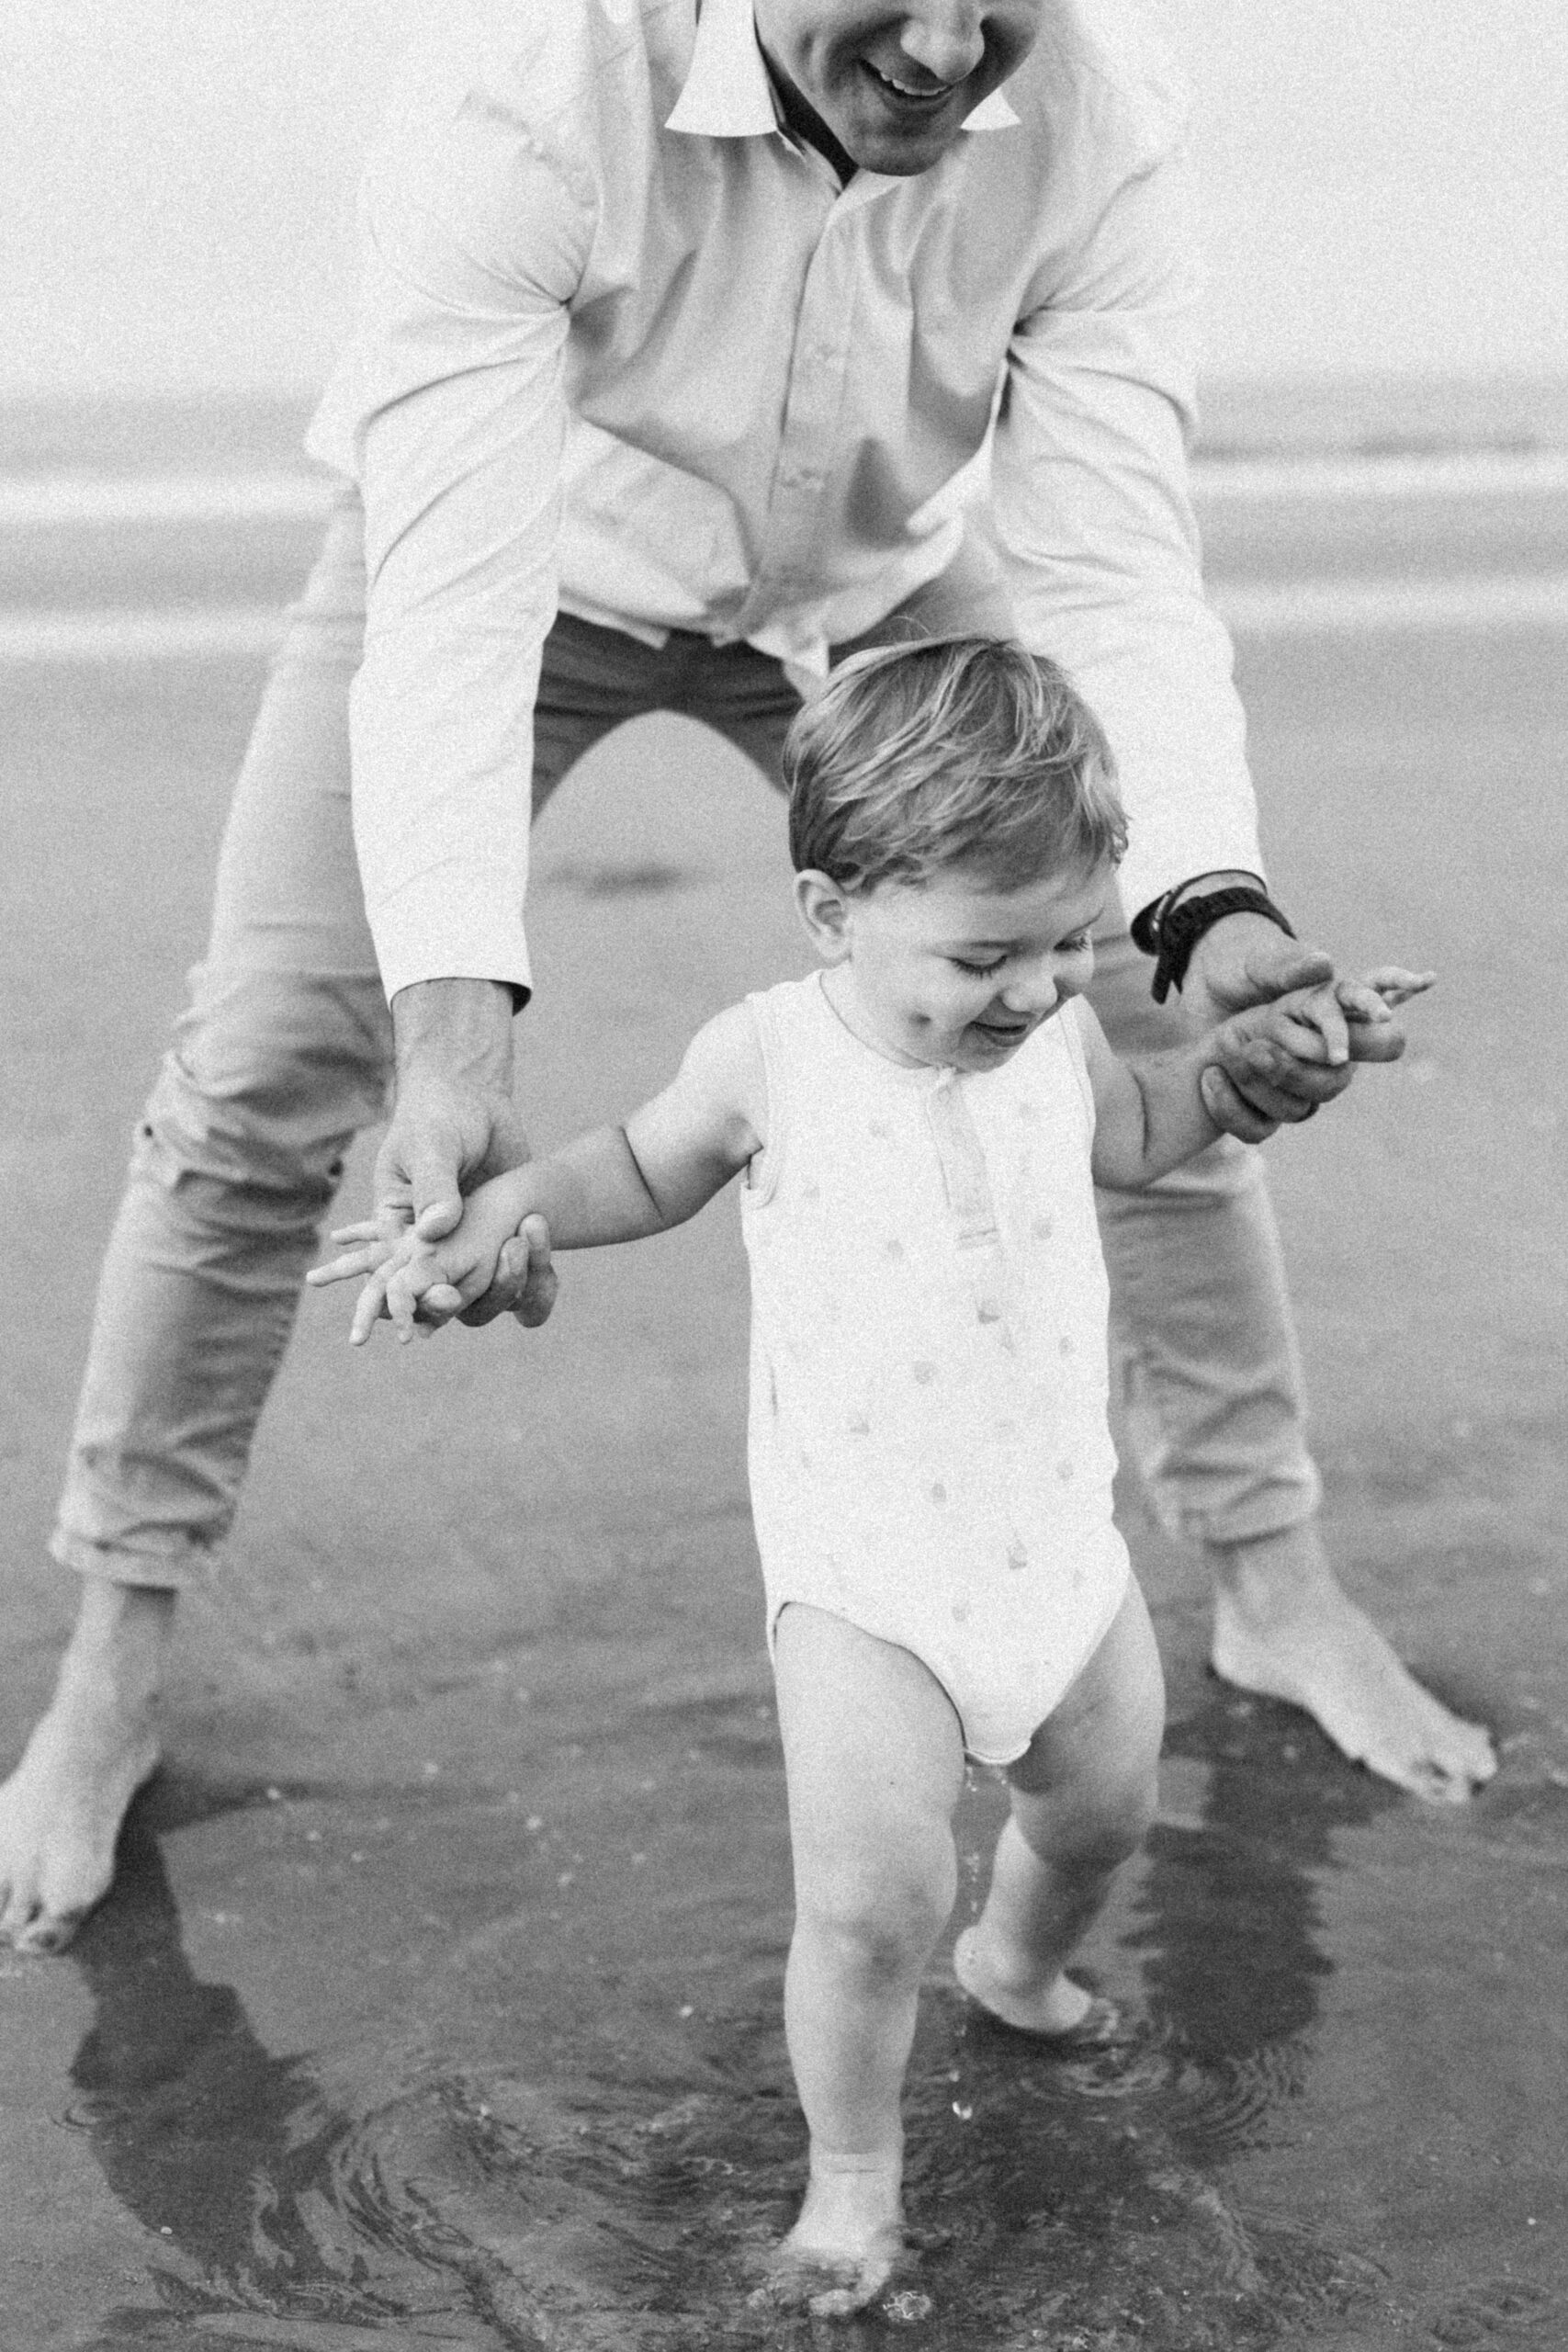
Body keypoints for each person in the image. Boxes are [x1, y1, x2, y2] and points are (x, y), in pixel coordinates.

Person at [0, 0, 1493, 1958]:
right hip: (524, 580)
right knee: (273, 1057)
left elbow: (1112, 556)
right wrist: (452, 1035)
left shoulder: (1100, 113)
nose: (951, 42)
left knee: (1131, 1022)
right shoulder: (526, 89)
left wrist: (1211, 910)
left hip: (887, 600)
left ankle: (1272, 1578)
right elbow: (447, 602)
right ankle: (115, 1654)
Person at [310, 639, 1434, 2316]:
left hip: (1057, 1549)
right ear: (834, 911)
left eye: (1068, 943)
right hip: (864, 1577)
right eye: (984, 955)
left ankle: (1019, 1966)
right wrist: (487, 1224)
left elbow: (1137, 1126)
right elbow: (629, 1167)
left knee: (1103, 1806)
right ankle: (851, 2176)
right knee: (868, 1898)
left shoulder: (1051, 1041)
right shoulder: (772, 1058)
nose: (1039, 988)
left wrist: (1248, 1075)